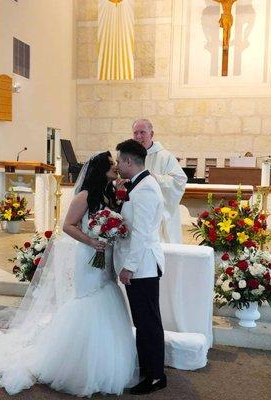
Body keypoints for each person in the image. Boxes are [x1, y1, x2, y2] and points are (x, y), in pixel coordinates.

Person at [0, 152, 137, 397]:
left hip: (105, 259)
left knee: (106, 294)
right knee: (87, 300)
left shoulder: (110, 194)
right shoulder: (84, 196)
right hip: (88, 256)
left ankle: (104, 358)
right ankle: (71, 362)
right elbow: (67, 226)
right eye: (111, 164)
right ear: (100, 170)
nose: (115, 167)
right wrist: (91, 241)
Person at [114, 139, 166, 395]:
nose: (117, 165)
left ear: (128, 161)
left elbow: (143, 233)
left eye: (119, 161)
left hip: (143, 266)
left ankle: (156, 376)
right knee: (143, 321)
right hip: (140, 265)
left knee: (148, 323)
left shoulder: (145, 188)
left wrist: (129, 267)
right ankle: (148, 369)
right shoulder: (139, 184)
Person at [132, 118, 187, 243]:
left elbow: (180, 180)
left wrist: (155, 178)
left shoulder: (164, 156)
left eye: (142, 132)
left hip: (159, 212)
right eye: (135, 133)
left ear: (151, 134)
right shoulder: (131, 155)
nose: (138, 136)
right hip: (137, 211)